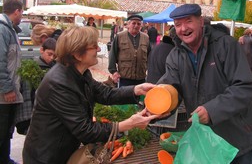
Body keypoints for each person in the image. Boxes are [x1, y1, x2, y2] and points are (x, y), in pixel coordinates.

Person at [22, 26, 161, 164]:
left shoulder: (80, 72)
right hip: (45, 157)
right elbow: (86, 130)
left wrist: (136, 89)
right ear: (77, 54)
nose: (99, 49)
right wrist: (129, 124)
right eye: (94, 46)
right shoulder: (58, 84)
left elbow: (104, 93)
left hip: (62, 152)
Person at [158, 4, 252, 163]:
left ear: (201, 21)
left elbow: (245, 86)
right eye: (178, 24)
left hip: (239, 138)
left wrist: (212, 110)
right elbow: (172, 87)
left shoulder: (226, 45)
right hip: (208, 140)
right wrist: (155, 105)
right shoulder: (175, 55)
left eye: (188, 21)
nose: (183, 28)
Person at [15, 38, 57, 135]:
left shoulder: (55, 67)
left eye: (54, 56)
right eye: (49, 54)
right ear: (42, 50)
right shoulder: (32, 67)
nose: (51, 58)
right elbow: (28, 94)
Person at [0, 0, 24, 164]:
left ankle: (5, 158)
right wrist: (7, 88)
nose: (21, 15)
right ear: (16, 11)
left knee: (7, 131)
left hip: (9, 93)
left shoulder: (11, 30)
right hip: (3, 95)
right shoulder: (3, 30)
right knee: (1, 130)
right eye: (21, 12)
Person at [108, 15, 150, 87]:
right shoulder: (119, 36)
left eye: (138, 24)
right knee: (125, 98)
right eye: (134, 23)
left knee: (140, 98)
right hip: (125, 78)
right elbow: (112, 55)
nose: (136, 26)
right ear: (128, 24)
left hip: (141, 78)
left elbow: (149, 56)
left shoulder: (146, 38)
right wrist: (114, 71)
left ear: (141, 26)